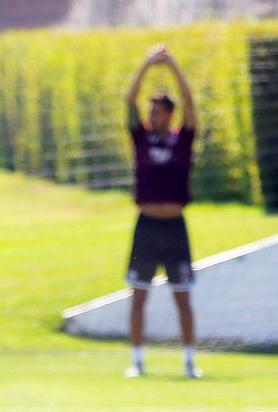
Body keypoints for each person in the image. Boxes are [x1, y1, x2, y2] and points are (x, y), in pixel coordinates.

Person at [124, 45, 201, 378]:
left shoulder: (182, 139)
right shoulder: (141, 139)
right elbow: (128, 101)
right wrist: (146, 63)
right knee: (138, 295)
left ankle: (188, 362)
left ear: (168, 114)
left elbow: (190, 104)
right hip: (146, 226)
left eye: (156, 111)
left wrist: (173, 67)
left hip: (174, 227)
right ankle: (137, 361)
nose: (150, 115)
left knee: (182, 298)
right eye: (149, 110)